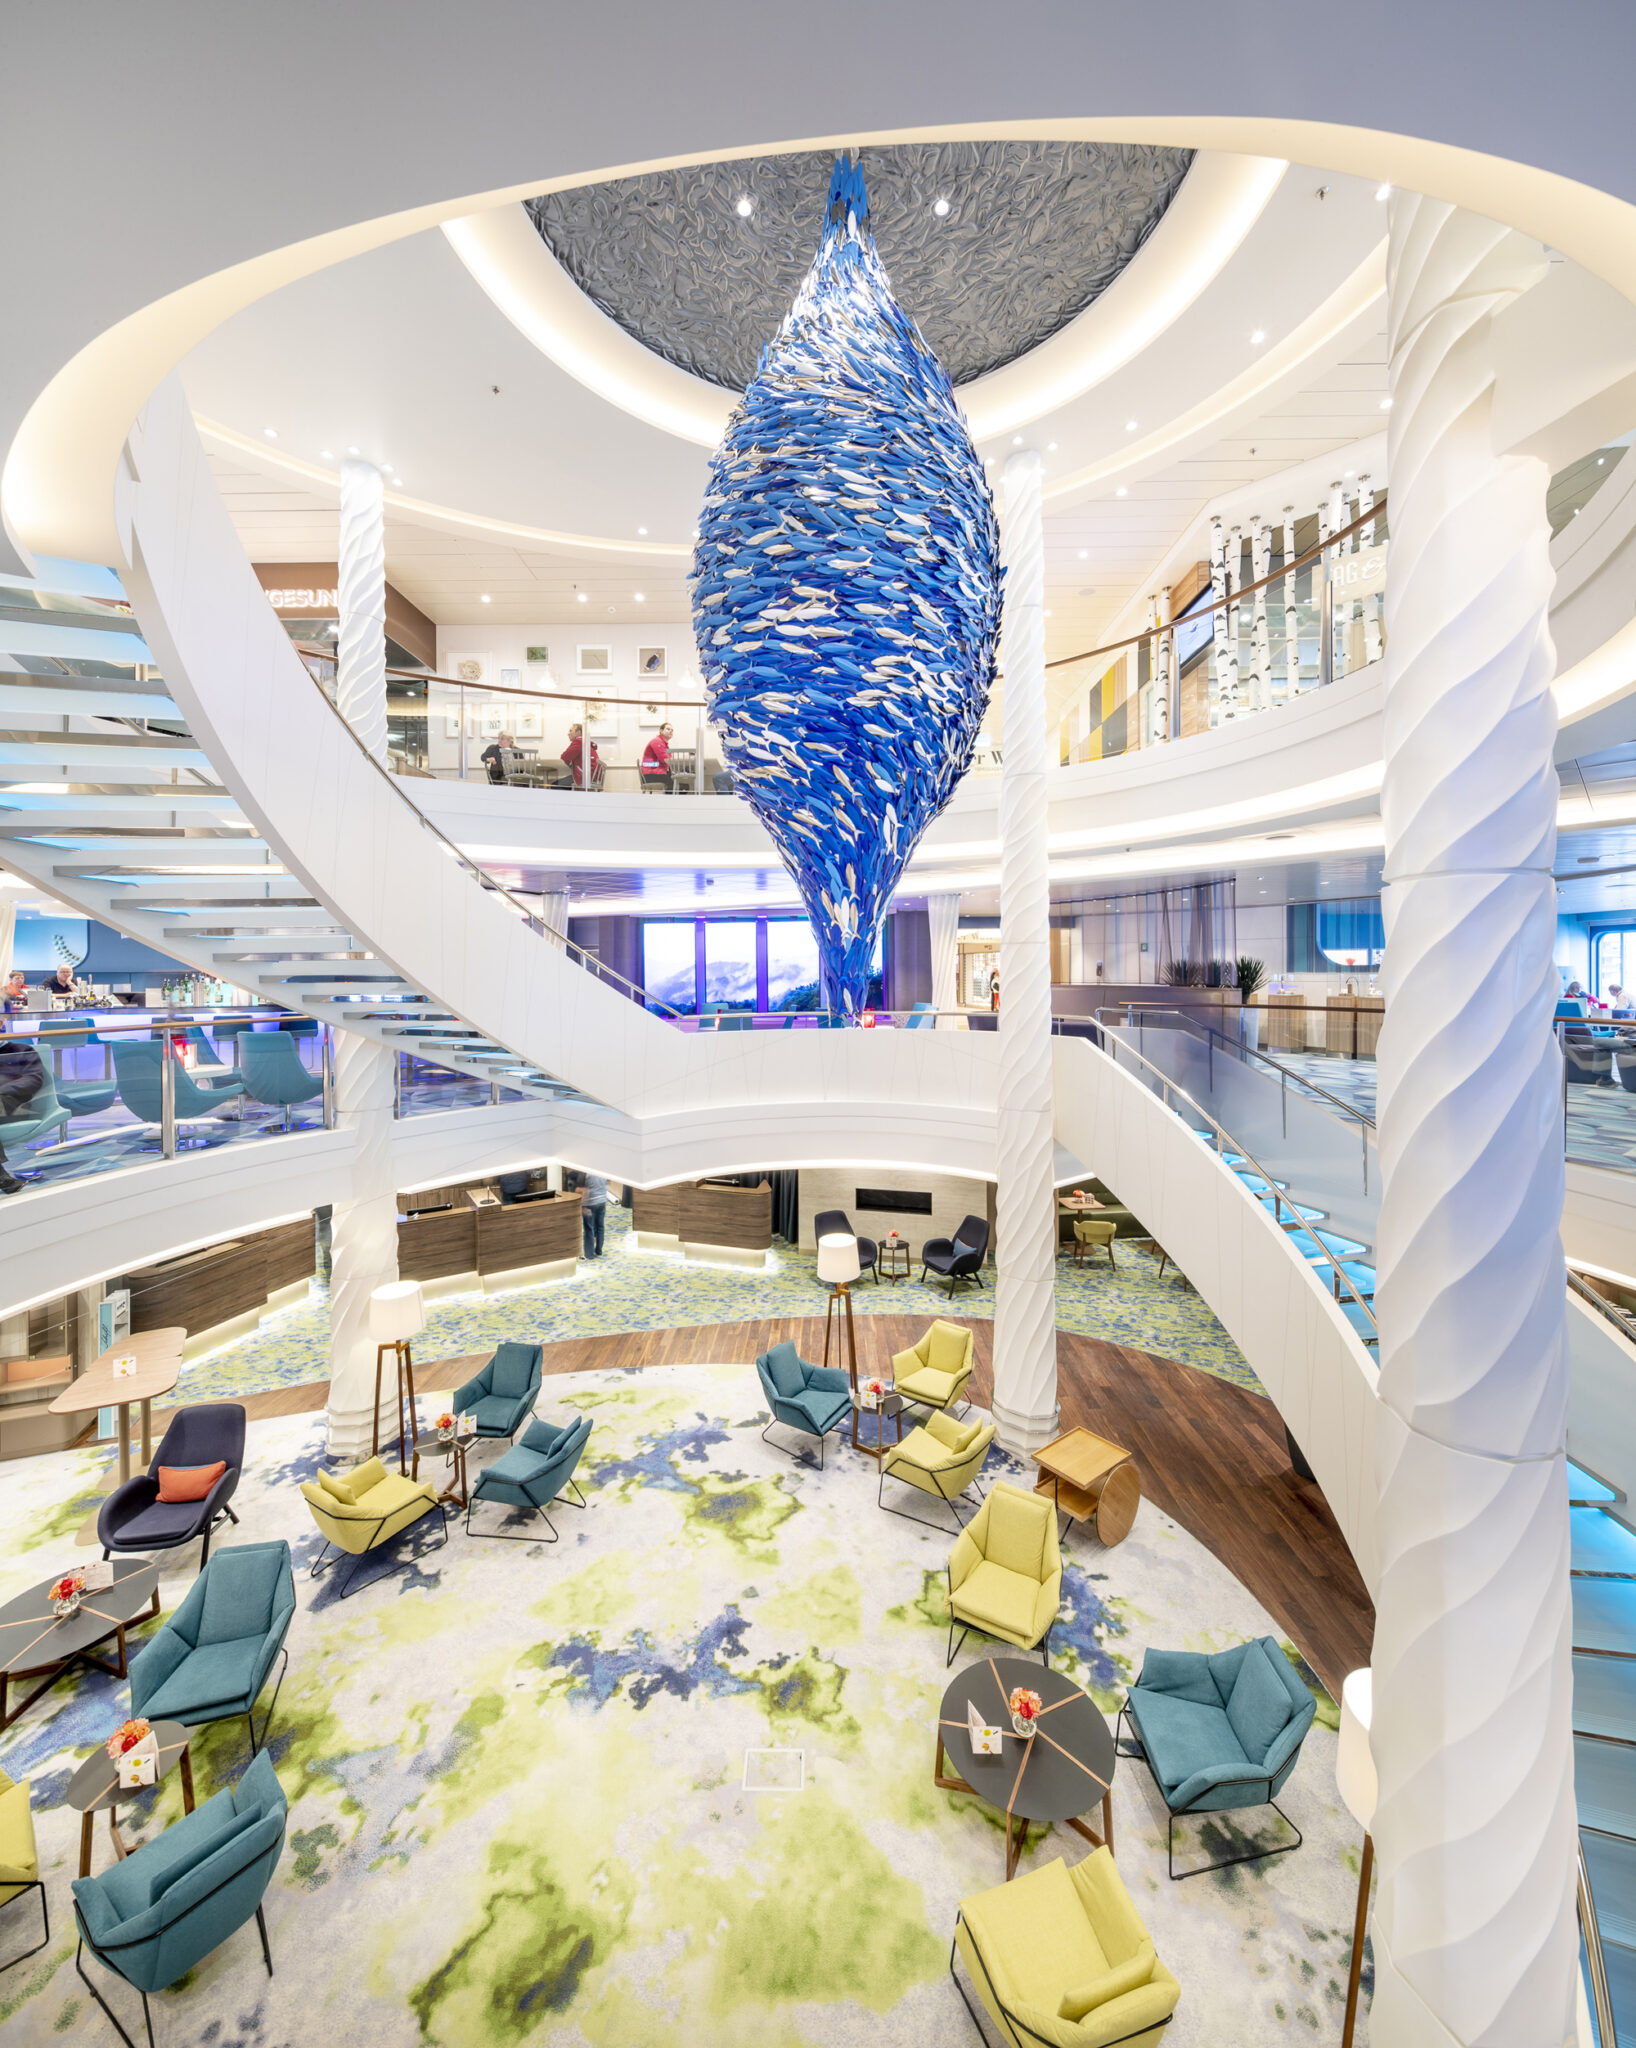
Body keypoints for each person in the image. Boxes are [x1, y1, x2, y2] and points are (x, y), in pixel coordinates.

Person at [0, 1037, 46, 1194]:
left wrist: (3, 1090)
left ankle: (2, 1178)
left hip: (16, 1107)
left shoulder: (22, 1050)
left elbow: (34, 1079)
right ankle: (2, 1178)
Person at [561, 723, 602, 790]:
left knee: (556, 785)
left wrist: (570, 763)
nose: (568, 733)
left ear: (578, 732)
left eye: (571, 731)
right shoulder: (585, 743)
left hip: (585, 778)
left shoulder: (579, 742)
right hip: (592, 777)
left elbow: (564, 757)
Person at [581, 1170, 608, 1259]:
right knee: (600, 1226)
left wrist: (583, 1205)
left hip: (590, 1204)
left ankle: (589, 1255)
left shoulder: (588, 1172)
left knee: (589, 1228)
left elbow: (585, 1191)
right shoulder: (604, 1170)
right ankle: (599, 1250)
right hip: (602, 1202)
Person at [640, 722, 674, 792]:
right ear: (661, 731)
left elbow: (668, 760)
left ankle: (670, 800)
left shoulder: (663, 743)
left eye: (672, 730)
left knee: (677, 781)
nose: (671, 731)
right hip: (651, 774)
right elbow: (665, 760)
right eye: (668, 729)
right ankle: (671, 801)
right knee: (678, 783)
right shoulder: (657, 742)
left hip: (655, 773)